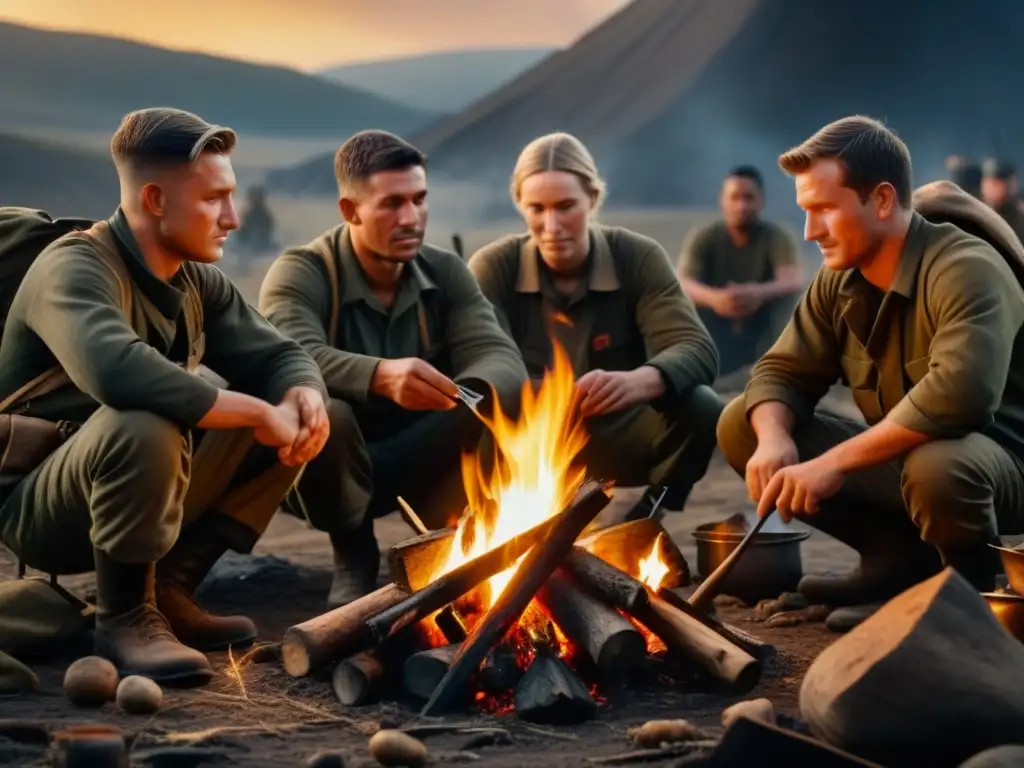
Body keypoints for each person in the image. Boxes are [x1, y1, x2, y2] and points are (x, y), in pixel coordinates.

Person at [0, 108, 330, 681]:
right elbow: (118, 373)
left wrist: (304, 395)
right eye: (213, 200)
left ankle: (169, 589)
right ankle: (125, 616)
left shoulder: (194, 277)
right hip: (44, 502)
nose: (231, 217)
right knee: (149, 417)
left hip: (136, 483)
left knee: (292, 415)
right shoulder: (73, 267)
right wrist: (256, 410)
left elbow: (277, 354)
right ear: (155, 201)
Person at [716, 116, 1024, 632]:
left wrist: (831, 463)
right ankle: (898, 566)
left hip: (1002, 467)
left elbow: (960, 397)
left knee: (939, 467)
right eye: (804, 212)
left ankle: (971, 602)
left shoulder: (965, 267)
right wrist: (772, 439)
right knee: (740, 424)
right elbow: (780, 370)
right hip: (915, 463)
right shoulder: (840, 279)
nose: (810, 231)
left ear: (882, 201)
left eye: (824, 210)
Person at [259, 130, 527, 608]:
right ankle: (353, 553)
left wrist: (460, 398)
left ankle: (452, 535)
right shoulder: (303, 272)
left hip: (417, 448)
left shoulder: (444, 272)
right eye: (392, 204)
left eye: (419, 200)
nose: (411, 218)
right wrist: (382, 376)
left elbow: (499, 357)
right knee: (327, 411)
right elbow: (288, 356)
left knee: (495, 401)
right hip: (326, 461)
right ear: (350, 210)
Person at [467, 132, 723, 516]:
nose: (551, 224)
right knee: (467, 415)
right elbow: (477, 373)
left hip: (620, 433)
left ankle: (650, 516)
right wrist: (558, 395)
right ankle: (500, 527)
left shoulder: (637, 256)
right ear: (520, 206)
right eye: (537, 208)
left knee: (702, 405)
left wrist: (641, 381)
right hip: (531, 439)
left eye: (566, 206)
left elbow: (697, 349)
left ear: (593, 199)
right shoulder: (494, 267)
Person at [676, 166, 804, 376]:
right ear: (722, 200)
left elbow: (791, 280)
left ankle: (780, 366)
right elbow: (683, 281)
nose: (741, 206)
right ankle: (691, 363)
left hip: (762, 321)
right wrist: (716, 299)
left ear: (761, 202)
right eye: (734, 197)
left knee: (788, 301)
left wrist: (756, 293)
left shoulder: (777, 236)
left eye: (749, 198)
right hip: (714, 321)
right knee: (680, 301)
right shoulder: (704, 237)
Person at [981, 158, 1024, 242]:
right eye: (995, 182)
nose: (1004, 186)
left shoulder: (1020, 214)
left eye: (1009, 181)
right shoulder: (975, 214)